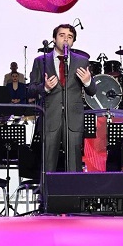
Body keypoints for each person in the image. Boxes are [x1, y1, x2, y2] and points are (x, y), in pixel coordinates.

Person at [29, 23, 96, 172]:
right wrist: (45, 88)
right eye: (62, 35)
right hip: (50, 118)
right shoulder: (41, 61)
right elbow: (30, 90)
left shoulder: (82, 61)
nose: (66, 39)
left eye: (70, 37)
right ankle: (48, 188)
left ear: (73, 41)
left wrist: (87, 81)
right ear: (54, 39)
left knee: (74, 166)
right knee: (48, 166)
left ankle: (74, 188)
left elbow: (92, 91)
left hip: (73, 119)